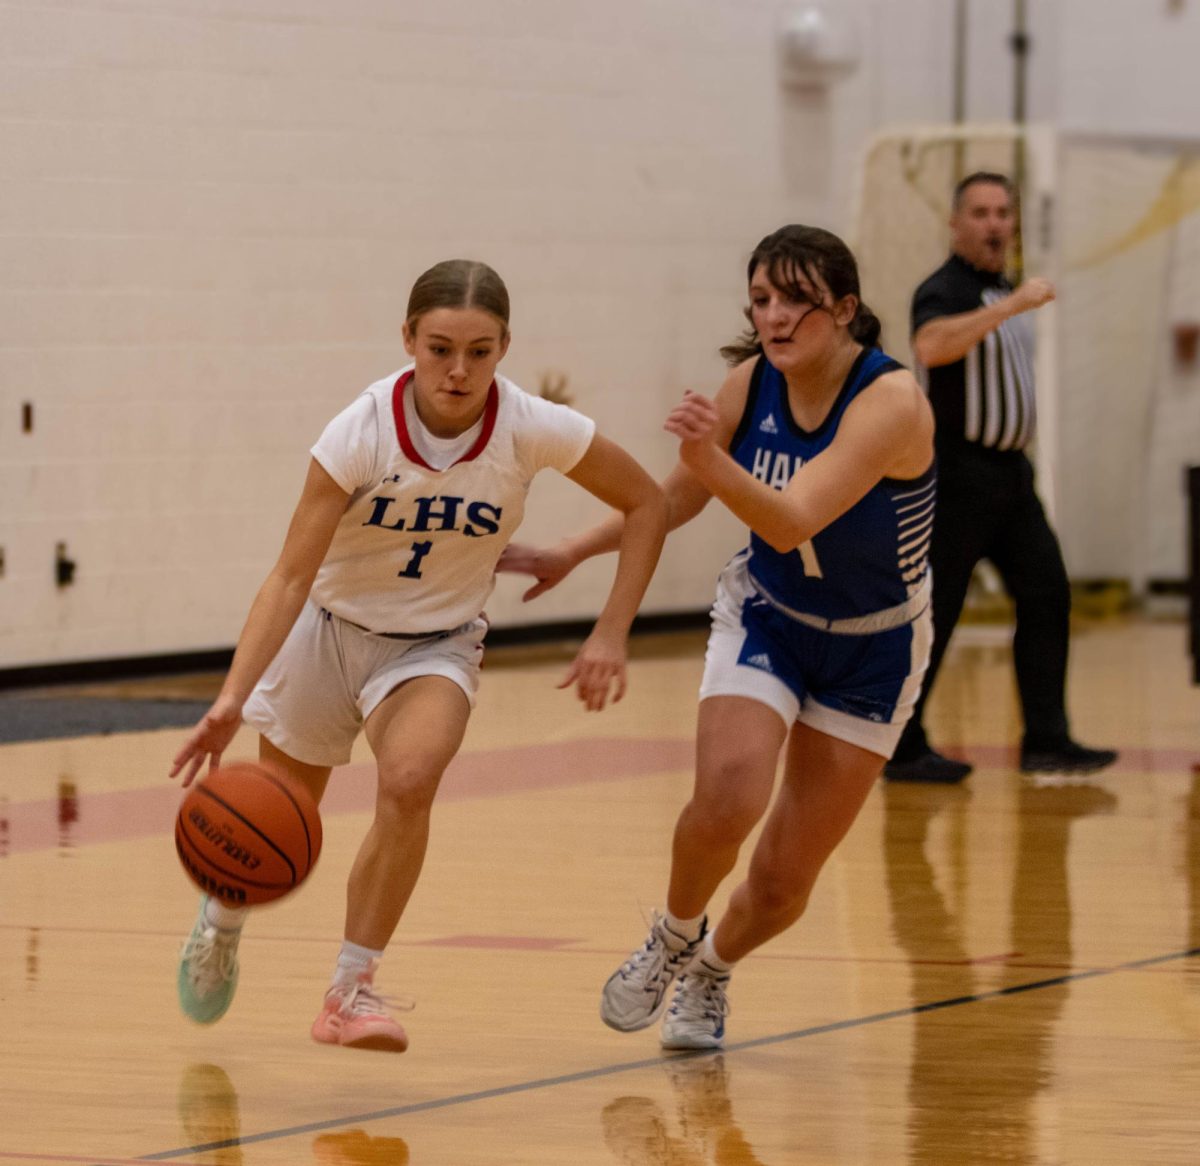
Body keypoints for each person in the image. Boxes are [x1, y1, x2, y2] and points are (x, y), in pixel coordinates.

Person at [168, 258, 667, 1053]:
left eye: (479, 349)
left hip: (435, 643)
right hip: (329, 631)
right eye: (439, 348)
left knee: (410, 780)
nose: (458, 369)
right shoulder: (358, 431)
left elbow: (650, 501)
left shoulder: (531, 425)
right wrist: (231, 698)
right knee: (273, 816)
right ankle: (223, 920)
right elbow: (291, 574)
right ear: (407, 340)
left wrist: (611, 630)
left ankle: (349, 991)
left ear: (505, 346)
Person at [499, 225, 936, 1049]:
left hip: (876, 645)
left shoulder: (892, 402)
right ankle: (672, 934)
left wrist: (710, 458)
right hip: (769, 614)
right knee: (730, 790)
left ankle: (714, 970)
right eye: (761, 300)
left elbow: (793, 513)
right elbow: (671, 502)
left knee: (780, 881)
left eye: (793, 301)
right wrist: (574, 550)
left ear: (843, 311)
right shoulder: (749, 383)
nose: (773, 317)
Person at [883, 171, 1118, 784]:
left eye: (1002, 213)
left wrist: (1010, 300)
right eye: (981, 213)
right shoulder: (947, 288)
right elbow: (931, 347)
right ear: (955, 224)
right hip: (958, 478)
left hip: (1012, 477)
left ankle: (1046, 739)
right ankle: (901, 745)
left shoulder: (1002, 286)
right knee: (938, 609)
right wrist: (1013, 307)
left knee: (1047, 594)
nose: (994, 224)